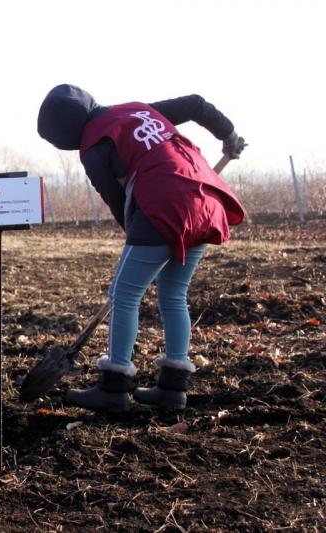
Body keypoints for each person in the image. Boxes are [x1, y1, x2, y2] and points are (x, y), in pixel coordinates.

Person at [37, 84, 246, 413]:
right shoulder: (137, 109)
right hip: (205, 200)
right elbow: (194, 104)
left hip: (164, 204)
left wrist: (140, 239)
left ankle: (114, 388)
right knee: (174, 293)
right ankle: (172, 389)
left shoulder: (93, 146)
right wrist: (228, 134)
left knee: (124, 293)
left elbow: (117, 202)